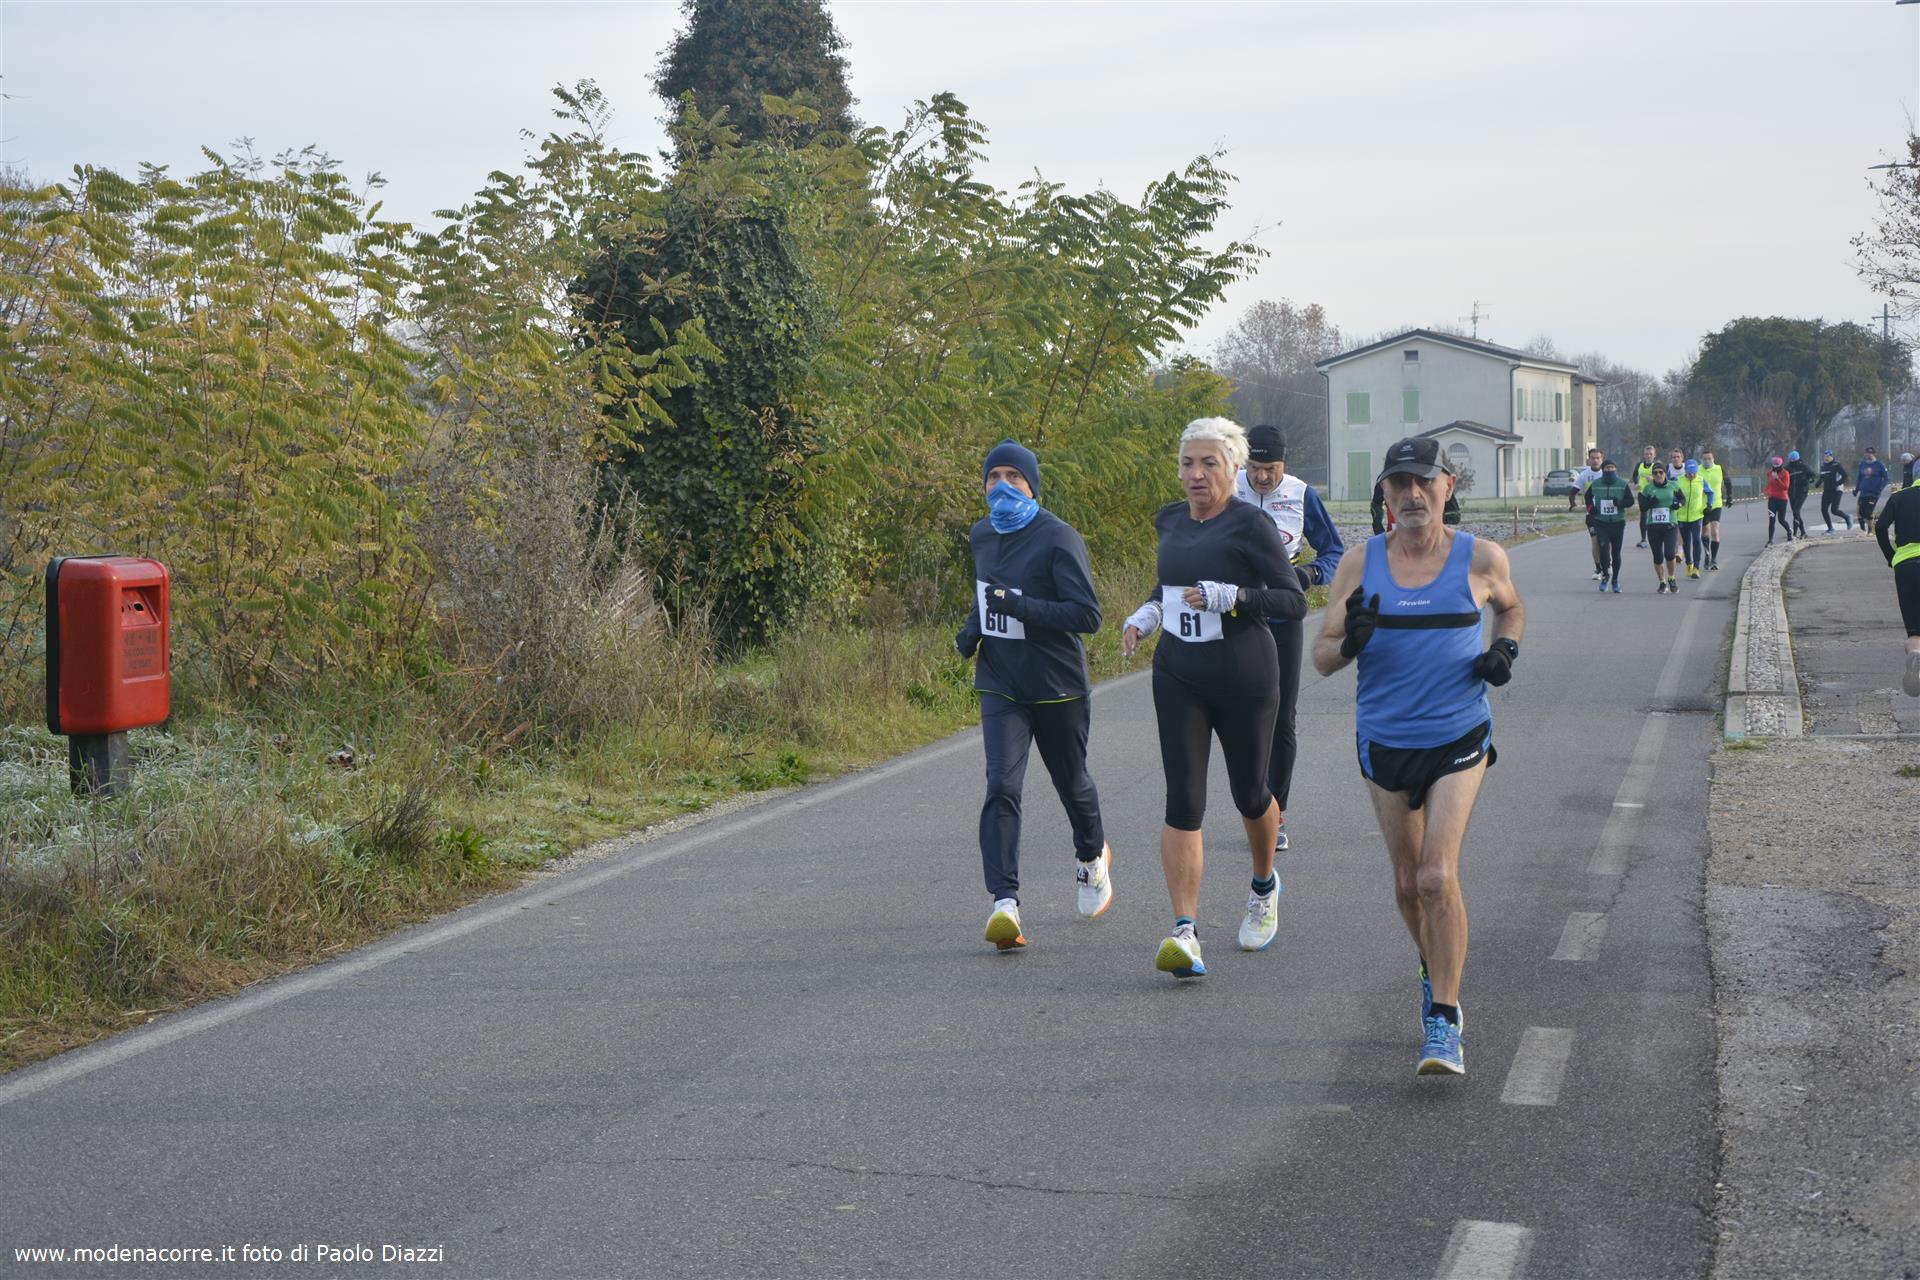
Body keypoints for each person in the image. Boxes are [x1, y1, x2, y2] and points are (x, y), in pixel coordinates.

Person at [1311, 436, 1524, 1076]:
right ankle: (1436, 969)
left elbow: (1511, 609)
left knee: (1435, 875)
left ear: (1447, 487)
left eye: (1423, 482)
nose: (1411, 494)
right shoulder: (1360, 563)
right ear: (1384, 492)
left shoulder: (1480, 557)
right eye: (1398, 482)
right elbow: (1321, 657)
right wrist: (1350, 643)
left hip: (1459, 734)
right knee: (1408, 885)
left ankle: (1444, 1020)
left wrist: (1504, 650)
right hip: (1385, 739)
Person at [1122, 418, 1307, 976]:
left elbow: (1292, 600)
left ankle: (1263, 885)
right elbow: (1172, 584)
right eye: (1187, 463)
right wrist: (1149, 612)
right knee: (1183, 800)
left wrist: (1235, 597)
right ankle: (1185, 931)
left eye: (1209, 463)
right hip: (1179, 674)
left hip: (1244, 675)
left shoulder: (1251, 524)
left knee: (1250, 794)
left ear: (1233, 468)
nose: (1196, 474)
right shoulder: (1170, 520)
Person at [957, 440, 1111, 951]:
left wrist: (1021, 606)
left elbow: (1087, 615)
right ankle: (1005, 903)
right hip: (1001, 681)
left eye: (1013, 477)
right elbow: (988, 591)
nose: (1002, 486)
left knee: (1072, 784)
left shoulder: (1057, 537)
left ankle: (1091, 856)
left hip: (1057, 685)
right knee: (1001, 783)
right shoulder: (982, 533)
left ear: (1032, 485)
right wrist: (973, 628)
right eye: (993, 476)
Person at [1234, 425, 1344, 857]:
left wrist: (1310, 574)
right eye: (1255, 469)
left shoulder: (1301, 494)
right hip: (1234, 619)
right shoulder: (1227, 486)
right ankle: (1251, 805)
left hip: (1281, 618)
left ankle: (1275, 815)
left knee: (1281, 719)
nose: (1263, 478)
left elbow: (1333, 551)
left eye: (1272, 469)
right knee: (1240, 719)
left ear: (1286, 462)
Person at [1874, 477, 1920, 696]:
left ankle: (1915, 653)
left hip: (1906, 565)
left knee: (1915, 630)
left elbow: (1880, 526)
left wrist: (1891, 557)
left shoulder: (1899, 497)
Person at [1584, 457, 1633, 593]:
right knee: (1604, 550)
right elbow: (1587, 497)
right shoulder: (1596, 484)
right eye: (1607, 468)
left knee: (1616, 553)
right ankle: (1606, 576)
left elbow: (1630, 501)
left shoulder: (1622, 484)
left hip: (1618, 523)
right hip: (1601, 522)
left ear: (1615, 469)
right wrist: (1591, 509)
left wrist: (1620, 503)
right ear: (1603, 470)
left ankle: (1615, 580)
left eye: (1612, 468)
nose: (1609, 470)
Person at [1640, 460, 1685, 592]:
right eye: (1655, 473)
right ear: (1652, 475)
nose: (1658, 475)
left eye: (1661, 472)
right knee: (1658, 556)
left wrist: (1678, 505)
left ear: (1665, 473)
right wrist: (1650, 503)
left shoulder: (1673, 485)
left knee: (1669, 554)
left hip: (1670, 525)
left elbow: (1682, 499)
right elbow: (1642, 508)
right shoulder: (1648, 488)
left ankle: (1671, 578)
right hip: (1653, 526)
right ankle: (1662, 582)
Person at [1373, 479, 1461, 533]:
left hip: (1429, 542)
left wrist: (1429, 519)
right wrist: (1378, 528)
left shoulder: (1436, 478)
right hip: (1395, 542)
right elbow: (1375, 505)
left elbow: (1455, 515)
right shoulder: (1387, 479)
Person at [1676, 458, 1713, 580]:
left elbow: (1710, 493)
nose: (1692, 475)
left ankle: (1696, 567)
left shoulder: (1701, 480)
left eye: (1694, 472)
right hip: (1682, 517)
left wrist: (1709, 505)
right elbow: (1673, 493)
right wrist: (1675, 503)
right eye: (1689, 472)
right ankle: (1689, 563)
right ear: (1685, 470)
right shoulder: (1679, 480)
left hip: (1697, 516)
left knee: (1696, 540)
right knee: (1686, 542)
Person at [1573, 447, 1607, 580]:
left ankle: (1607, 563)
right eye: (1593, 458)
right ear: (1589, 460)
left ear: (1602, 459)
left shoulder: (1607, 473)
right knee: (1595, 541)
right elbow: (1573, 491)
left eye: (1598, 458)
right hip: (1592, 513)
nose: (1595, 460)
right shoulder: (1584, 475)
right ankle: (1598, 568)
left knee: (1606, 542)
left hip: (1607, 513)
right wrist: (1572, 503)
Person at [1699, 448, 1727, 570]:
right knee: (1705, 533)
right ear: (1701, 460)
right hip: (1702, 506)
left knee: (1715, 531)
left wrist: (1729, 497)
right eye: (1704, 459)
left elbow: (1728, 481)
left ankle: (1714, 560)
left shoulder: (1719, 469)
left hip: (1716, 504)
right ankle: (1707, 554)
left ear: (1713, 459)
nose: (1707, 461)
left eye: (1709, 459)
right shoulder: (1697, 470)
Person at [1817, 450, 1852, 534]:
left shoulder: (1836, 465)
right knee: (1823, 510)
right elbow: (1822, 477)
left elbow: (1845, 476)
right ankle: (1831, 529)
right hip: (1827, 491)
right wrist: (1818, 483)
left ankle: (1847, 517)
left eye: (1828, 456)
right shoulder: (1823, 466)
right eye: (1825, 456)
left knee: (1834, 510)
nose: (1826, 458)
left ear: (1832, 457)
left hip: (1837, 490)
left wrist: (1837, 483)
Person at [1859, 447, 1890, 533]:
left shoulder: (1879, 464)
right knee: (1862, 512)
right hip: (1864, 492)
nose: (1868, 455)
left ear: (1874, 454)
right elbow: (1859, 477)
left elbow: (1886, 478)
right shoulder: (1863, 464)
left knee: (1868, 512)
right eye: (1867, 453)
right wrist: (1857, 488)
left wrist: (1880, 488)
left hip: (1874, 493)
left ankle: (1870, 530)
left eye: (1870, 453)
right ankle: (1874, 521)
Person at [1764, 457, 1794, 546]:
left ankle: (1789, 531)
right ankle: (1770, 540)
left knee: (1781, 520)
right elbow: (1769, 484)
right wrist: (1766, 491)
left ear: (1781, 464)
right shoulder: (1769, 473)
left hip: (1782, 499)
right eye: (1774, 464)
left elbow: (1786, 487)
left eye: (1777, 464)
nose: (1775, 466)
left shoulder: (1785, 473)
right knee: (1772, 520)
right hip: (1772, 500)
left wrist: (1777, 479)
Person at [1785, 450, 1815, 538]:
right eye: (1791, 459)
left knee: (1796, 511)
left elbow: (1812, 475)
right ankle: (1803, 532)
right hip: (1791, 493)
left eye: (1794, 459)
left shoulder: (1803, 467)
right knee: (1795, 513)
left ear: (1797, 458)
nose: (1792, 460)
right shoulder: (1787, 468)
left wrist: (1809, 481)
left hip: (1802, 492)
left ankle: (1795, 533)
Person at [1634, 445, 1659, 548]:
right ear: (1644, 455)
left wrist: (1653, 479)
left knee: (1655, 515)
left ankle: (1656, 538)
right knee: (1643, 515)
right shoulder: (1639, 465)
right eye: (1647, 454)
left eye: (1650, 454)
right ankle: (1643, 539)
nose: (1648, 456)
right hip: (1642, 493)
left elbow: (1663, 478)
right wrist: (1636, 483)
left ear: (1654, 455)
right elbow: (1635, 475)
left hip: (1654, 493)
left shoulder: (1657, 465)